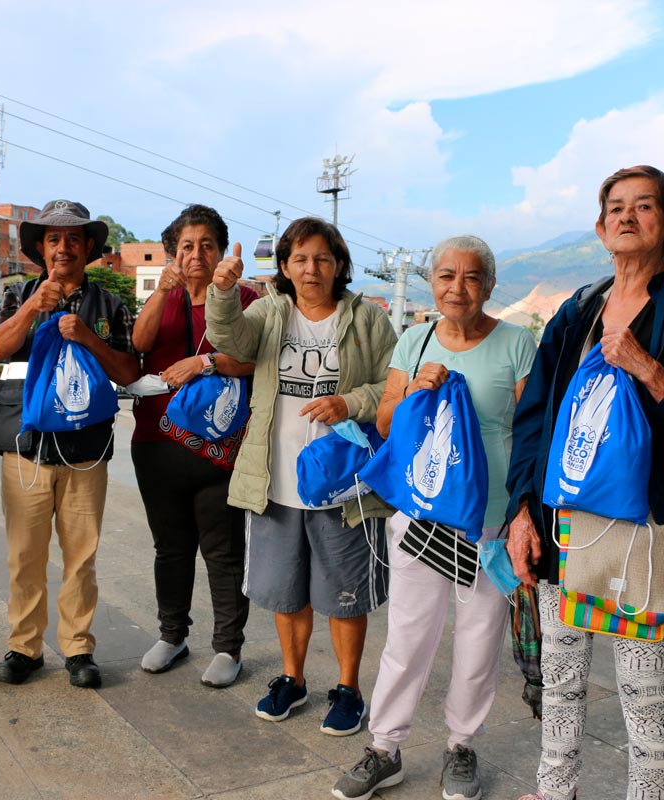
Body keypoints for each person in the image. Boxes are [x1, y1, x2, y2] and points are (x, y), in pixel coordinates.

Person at [505, 166, 664, 800]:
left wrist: (650, 371)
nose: (627, 216)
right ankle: (556, 791)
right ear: (601, 226)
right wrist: (522, 512)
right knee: (560, 678)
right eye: (615, 207)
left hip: (646, 530)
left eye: (645, 206)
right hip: (563, 525)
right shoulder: (577, 310)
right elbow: (534, 422)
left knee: (644, 691)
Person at [333, 236, 536, 800]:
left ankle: (461, 745)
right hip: (422, 515)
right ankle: (384, 747)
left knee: (478, 639)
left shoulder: (519, 344)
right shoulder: (414, 341)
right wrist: (416, 390)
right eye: (446, 276)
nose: (457, 287)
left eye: (472, 278)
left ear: (489, 287)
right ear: (432, 283)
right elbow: (385, 421)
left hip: (490, 521)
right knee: (407, 636)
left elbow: (532, 434)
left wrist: (524, 511)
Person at [206, 216, 396, 736]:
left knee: (344, 592)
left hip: (344, 485)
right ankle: (292, 678)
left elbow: (394, 388)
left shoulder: (368, 320)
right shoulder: (268, 311)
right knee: (286, 592)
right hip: (275, 480)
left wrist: (351, 401)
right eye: (300, 259)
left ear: (339, 265)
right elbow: (232, 341)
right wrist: (222, 291)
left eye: (322, 259)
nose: (311, 269)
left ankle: (348, 689)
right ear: (285, 267)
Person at [0, 199, 140, 690]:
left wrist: (88, 339)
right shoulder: (18, 295)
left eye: (74, 239)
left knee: (81, 554)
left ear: (89, 248)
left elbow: (129, 371)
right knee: (24, 554)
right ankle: (24, 647)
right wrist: (37, 306)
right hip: (25, 446)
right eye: (53, 239)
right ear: (40, 248)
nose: (63, 247)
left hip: (86, 450)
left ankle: (78, 648)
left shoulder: (110, 306)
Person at [131, 205, 257, 687]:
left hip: (220, 446)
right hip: (156, 441)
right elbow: (141, 344)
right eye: (187, 246)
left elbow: (258, 359)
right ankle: (172, 634)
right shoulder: (164, 295)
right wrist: (161, 293)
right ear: (173, 254)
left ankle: (228, 647)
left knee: (223, 552)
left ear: (222, 251)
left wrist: (204, 363)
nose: (197, 254)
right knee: (170, 548)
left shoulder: (243, 297)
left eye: (207, 244)